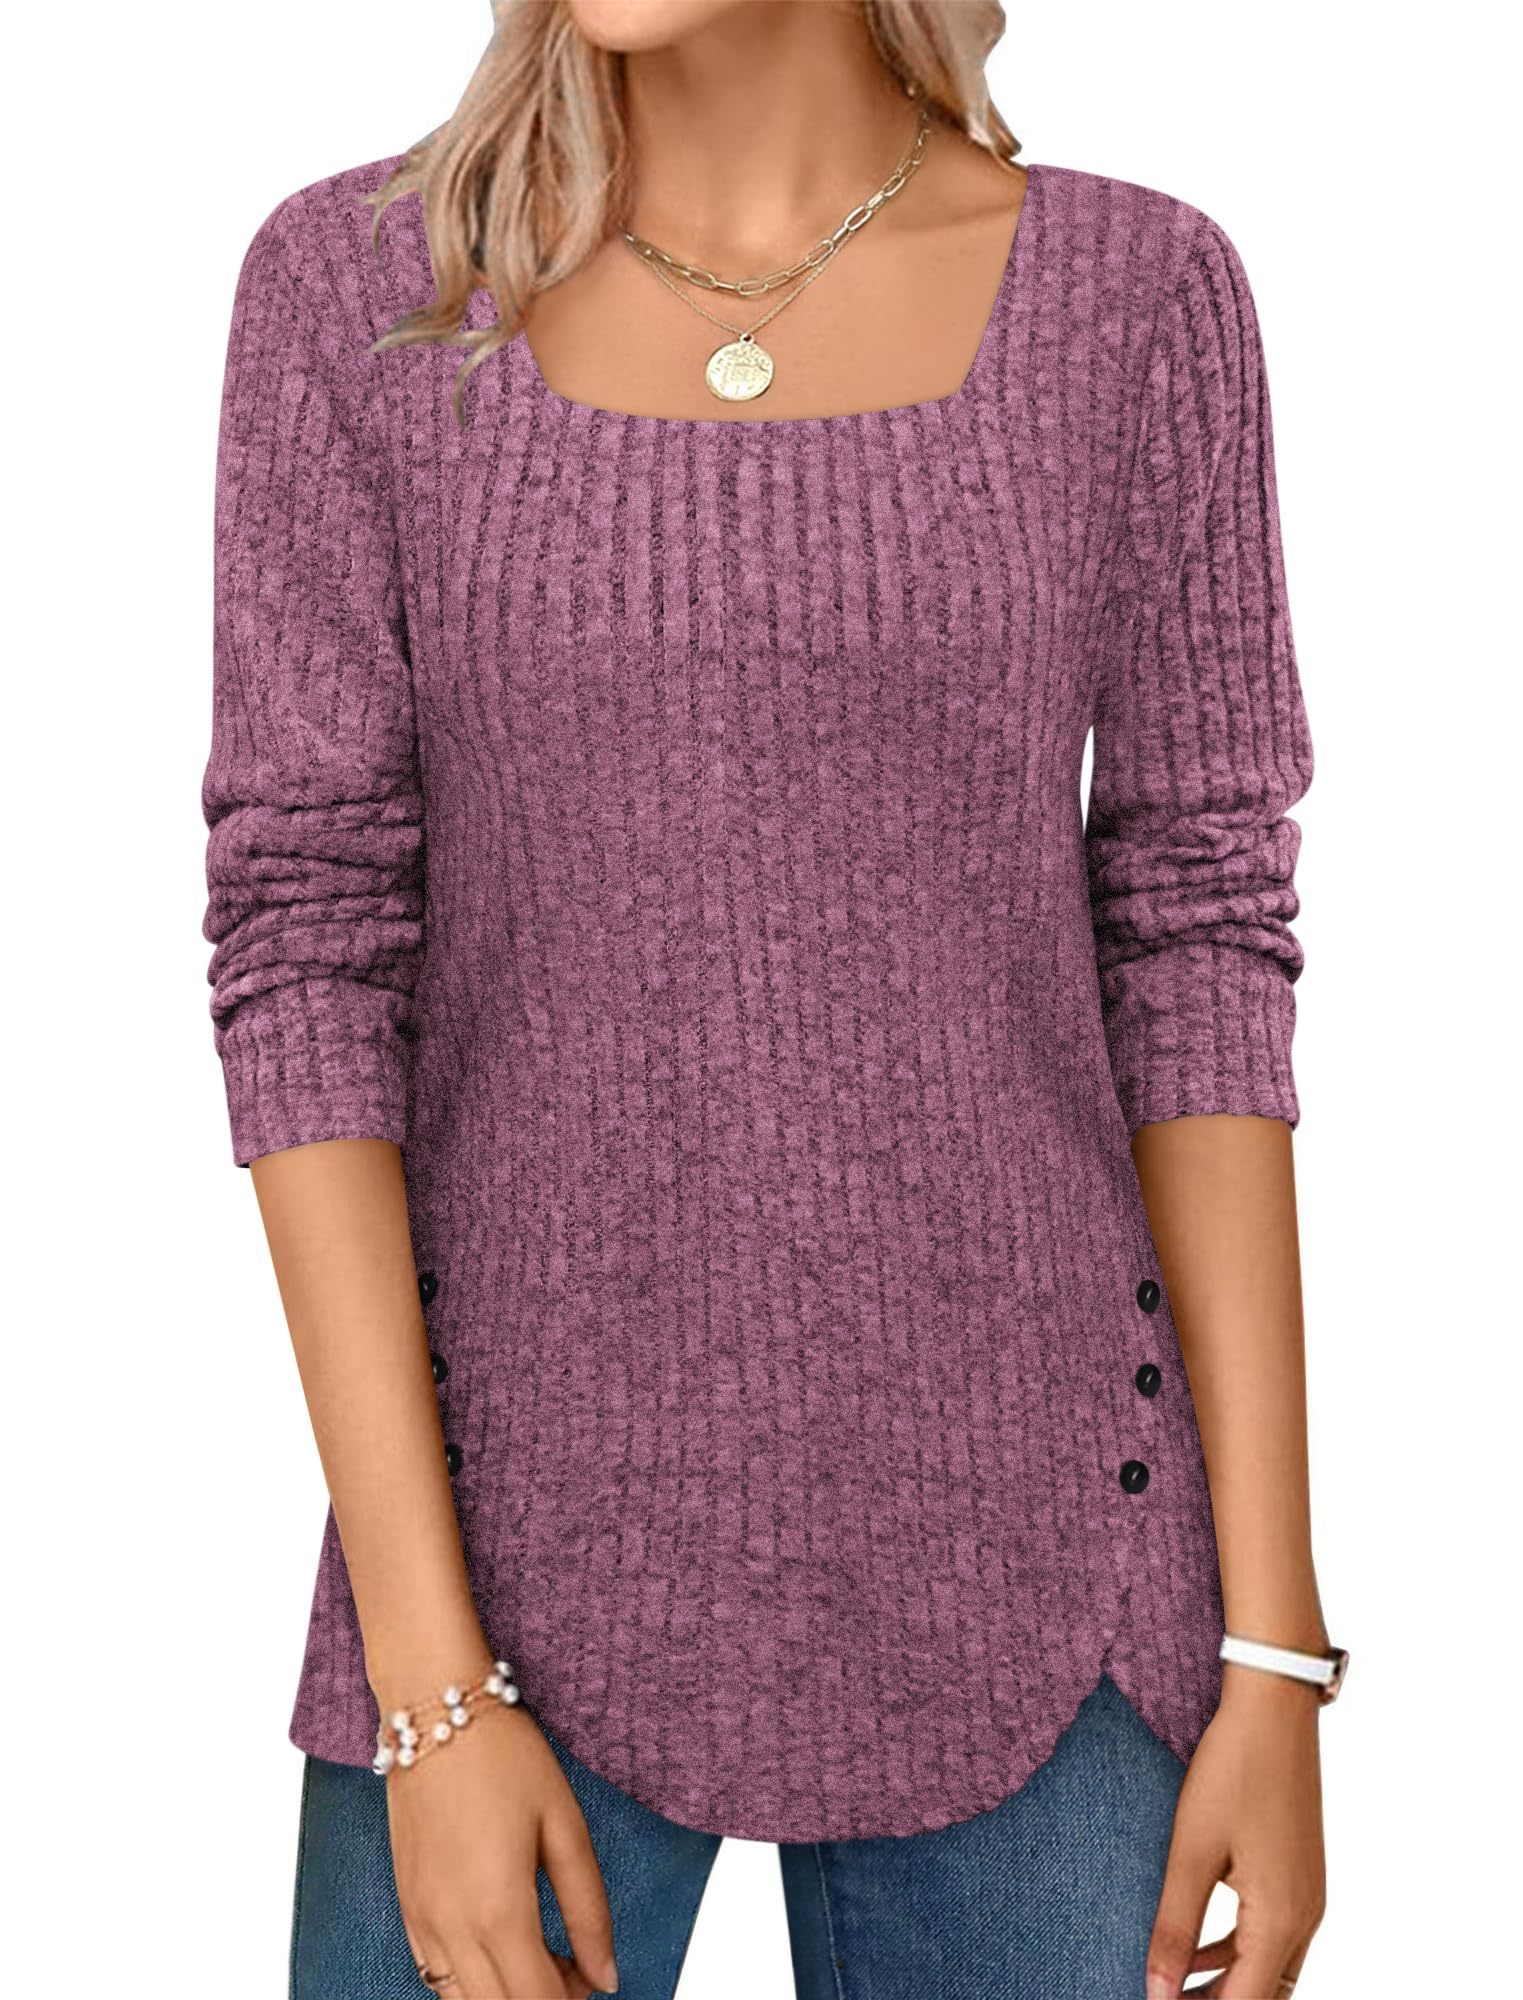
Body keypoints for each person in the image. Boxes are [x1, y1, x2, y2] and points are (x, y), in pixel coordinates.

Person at [201, 2, 1345, 1995]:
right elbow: (305, 946)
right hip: (491, 1584)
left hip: (1052, 1572)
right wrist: (429, 1686)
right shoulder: (364, 298)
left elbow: (1197, 941)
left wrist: (1272, 1650)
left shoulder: (1138, 297)